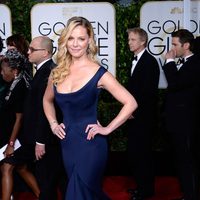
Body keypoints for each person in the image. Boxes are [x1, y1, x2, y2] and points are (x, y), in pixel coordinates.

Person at [43, 16, 137, 200]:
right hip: (68, 144)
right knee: (87, 194)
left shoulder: (98, 72)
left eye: (81, 38)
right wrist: (53, 124)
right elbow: (46, 101)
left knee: (77, 193)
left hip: (91, 144)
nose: (75, 44)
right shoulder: (57, 73)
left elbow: (131, 102)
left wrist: (108, 128)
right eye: (71, 38)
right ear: (65, 41)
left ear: (89, 41)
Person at [8, 36, 66, 200]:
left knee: (47, 183)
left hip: (46, 140)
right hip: (42, 139)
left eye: (32, 49)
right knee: (54, 181)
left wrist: (40, 142)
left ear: (45, 52)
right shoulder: (42, 70)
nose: (28, 52)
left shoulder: (50, 72)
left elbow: (45, 110)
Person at [162, 29, 200, 200]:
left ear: (186, 45)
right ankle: (188, 193)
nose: (172, 48)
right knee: (182, 160)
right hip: (178, 122)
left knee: (187, 161)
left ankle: (191, 195)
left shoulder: (195, 63)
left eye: (175, 44)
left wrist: (169, 62)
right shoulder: (186, 62)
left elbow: (175, 84)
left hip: (186, 123)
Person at [0, 49, 40, 200]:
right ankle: (41, 196)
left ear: (15, 70)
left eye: (3, 70)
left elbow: (19, 119)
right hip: (17, 136)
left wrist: (11, 143)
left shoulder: (20, 87)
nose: (1, 73)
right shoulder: (17, 82)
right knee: (21, 168)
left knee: (6, 168)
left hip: (22, 137)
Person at [126, 27, 160, 200]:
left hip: (143, 119)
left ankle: (146, 191)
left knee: (144, 154)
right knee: (136, 154)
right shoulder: (136, 60)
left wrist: (133, 112)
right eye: (129, 39)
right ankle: (141, 187)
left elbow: (148, 94)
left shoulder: (150, 62)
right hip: (133, 117)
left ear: (142, 41)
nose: (129, 42)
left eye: (132, 39)